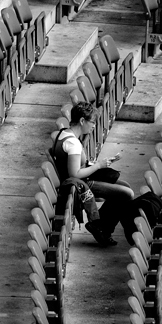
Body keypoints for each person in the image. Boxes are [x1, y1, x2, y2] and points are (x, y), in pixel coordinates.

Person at [52, 101, 134, 246]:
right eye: (92, 122)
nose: (94, 126)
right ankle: (101, 226)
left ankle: (102, 225)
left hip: (83, 179)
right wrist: (98, 165)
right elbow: (75, 173)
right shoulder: (73, 144)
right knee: (127, 194)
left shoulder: (65, 133)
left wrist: (102, 164)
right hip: (80, 184)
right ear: (82, 121)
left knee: (125, 186)